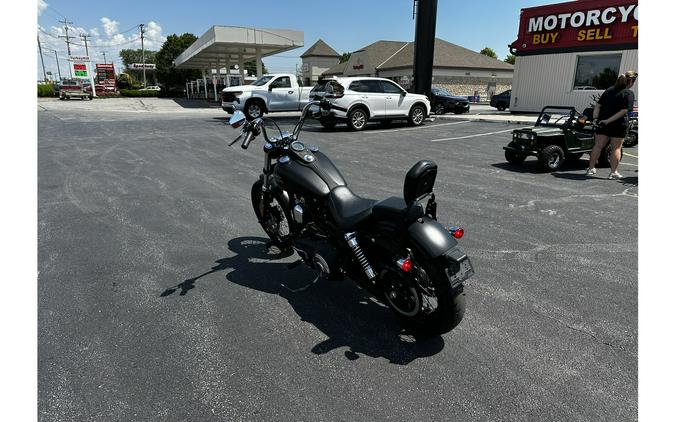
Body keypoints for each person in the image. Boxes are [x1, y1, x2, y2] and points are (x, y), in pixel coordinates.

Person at [585, 70, 637, 179]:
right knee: (616, 148)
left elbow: (598, 106)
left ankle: (590, 169)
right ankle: (613, 173)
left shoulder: (609, 90)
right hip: (618, 125)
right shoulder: (628, 93)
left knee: (598, 146)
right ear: (631, 81)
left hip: (603, 124)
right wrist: (609, 120)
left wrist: (595, 119)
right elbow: (624, 111)